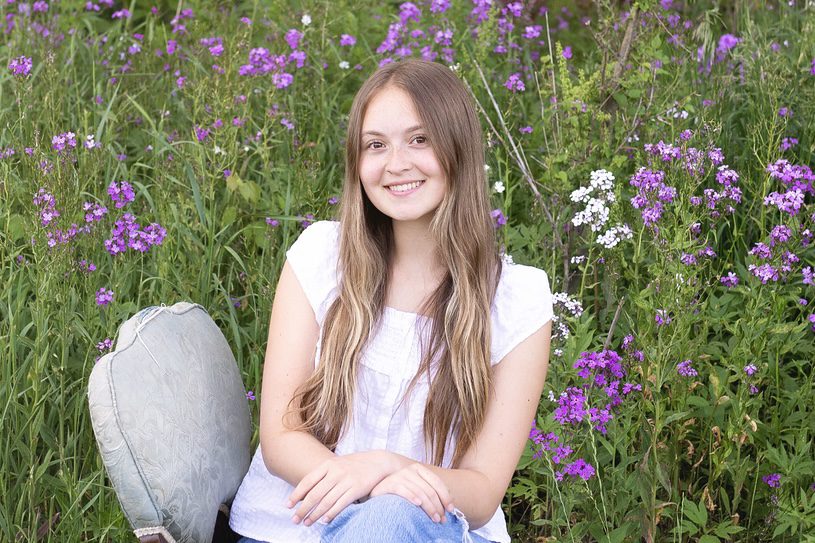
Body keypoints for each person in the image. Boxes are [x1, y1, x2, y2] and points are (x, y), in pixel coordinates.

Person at [228, 58, 553, 543]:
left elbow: (482, 491)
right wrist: (363, 482)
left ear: (458, 148)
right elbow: (282, 437)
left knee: (388, 523)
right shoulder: (321, 257)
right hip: (287, 527)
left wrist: (382, 470)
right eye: (375, 145)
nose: (396, 163)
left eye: (419, 139)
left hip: (430, 529)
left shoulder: (516, 300)